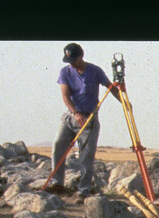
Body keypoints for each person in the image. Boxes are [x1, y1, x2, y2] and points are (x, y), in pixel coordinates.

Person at [49, 43, 122, 197]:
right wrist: (75, 112)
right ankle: (57, 183)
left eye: (74, 60)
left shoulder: (95, 71)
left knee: (86, 155)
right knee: (58, 145)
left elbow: (110, 87)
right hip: (71, 117)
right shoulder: (65, 72)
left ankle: (83, 190)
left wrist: (124, 101)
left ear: (81, 56)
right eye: (70, 61)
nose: (72, 64)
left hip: (89, 119)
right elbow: (65, 96)